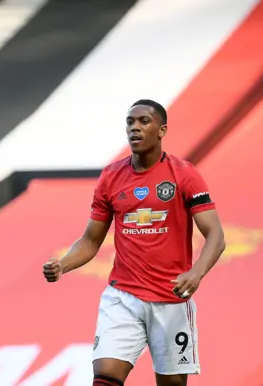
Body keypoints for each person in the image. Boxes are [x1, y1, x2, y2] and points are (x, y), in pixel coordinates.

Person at [43, 100, 225, 386]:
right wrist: (63, 264)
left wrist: (196, 273)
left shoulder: (184, 175)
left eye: (143, 121)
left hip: (170, 299)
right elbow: (91, 240)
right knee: (104, 376)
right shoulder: (111, 177)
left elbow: (216, 235)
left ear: (162, 130)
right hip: (123, 297)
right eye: (130, 122)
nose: (135, 128)